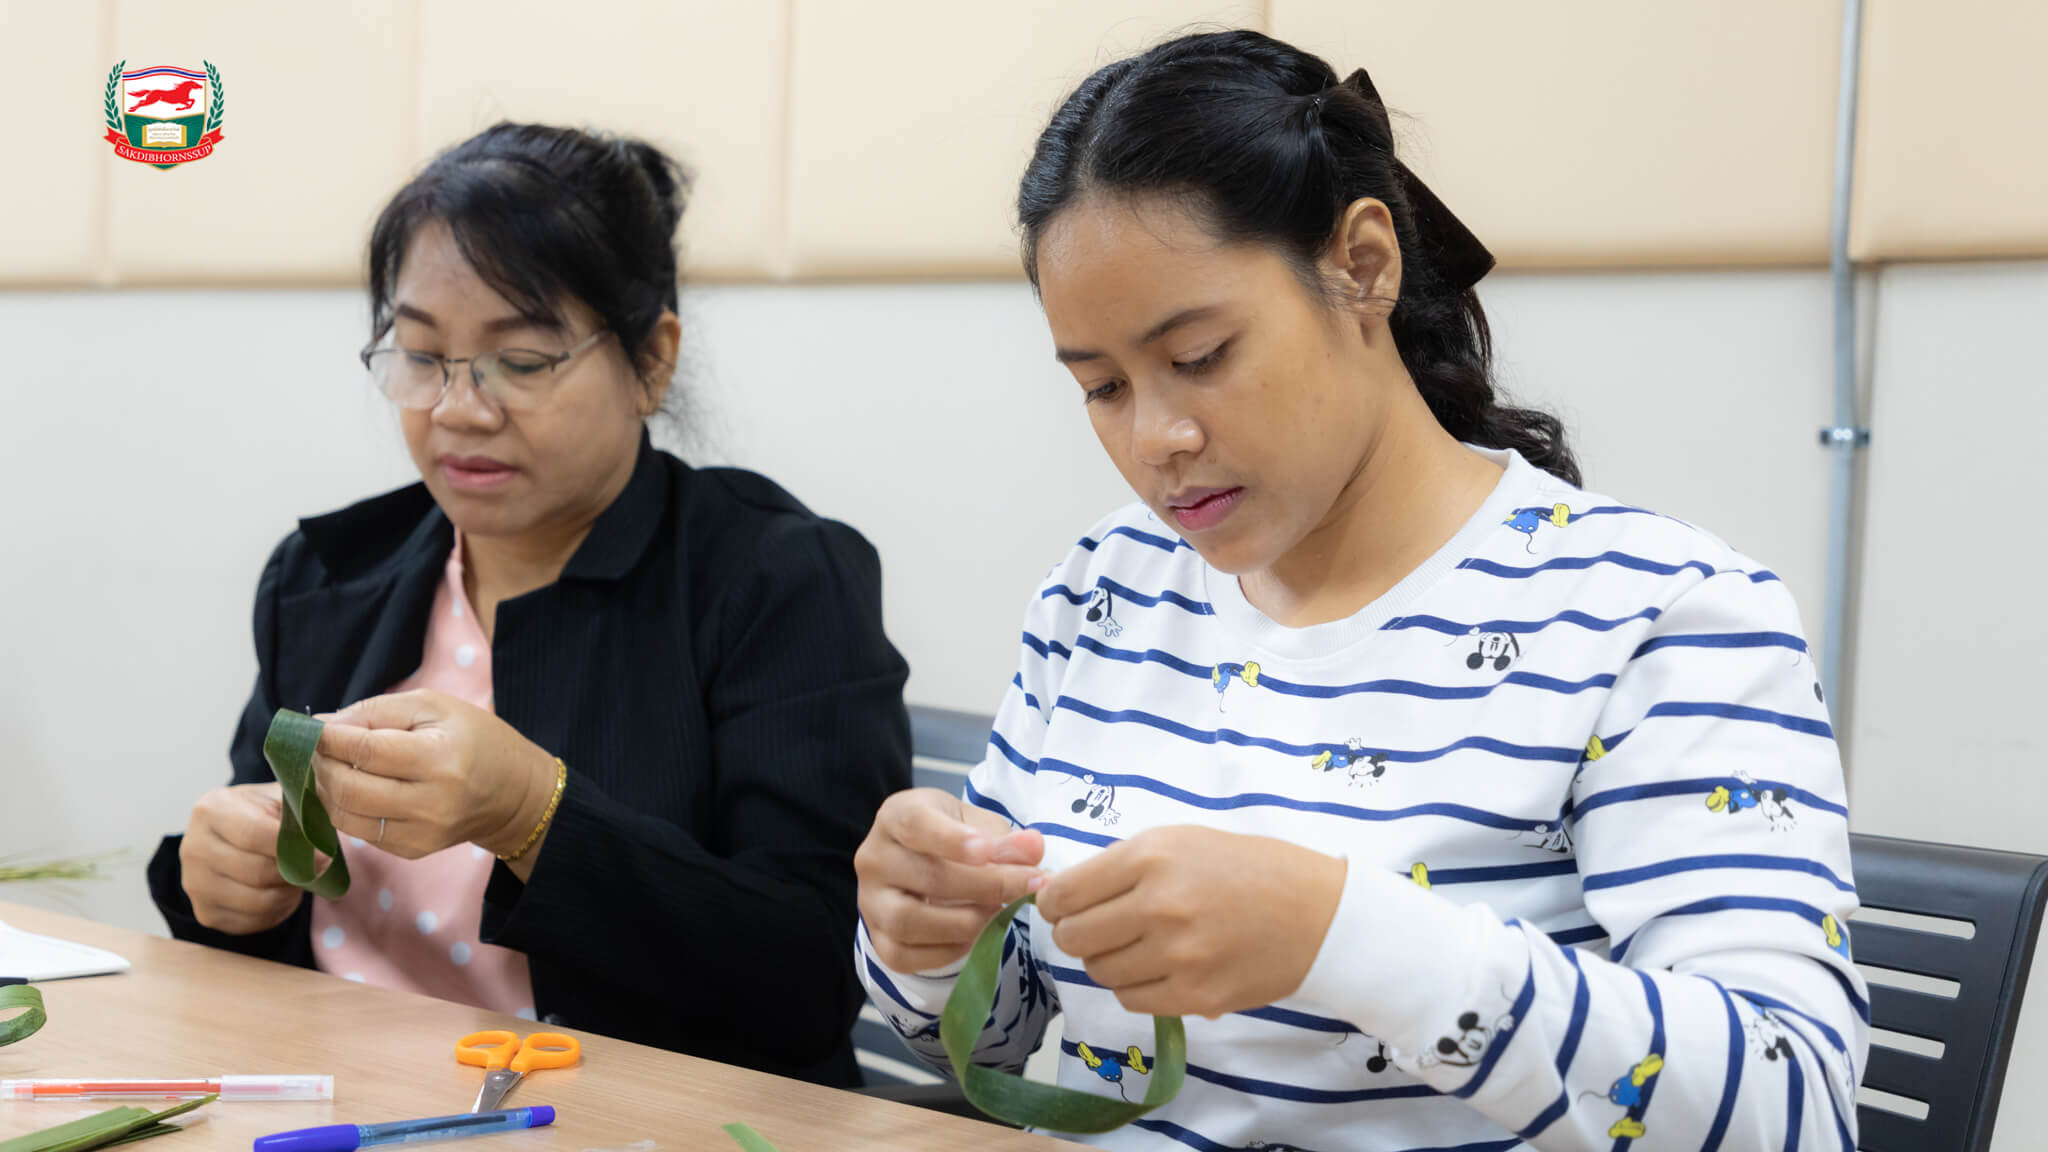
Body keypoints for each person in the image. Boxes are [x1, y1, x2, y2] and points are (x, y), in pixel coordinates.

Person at [854, 30, 1866, 1148]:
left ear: (1364, 266)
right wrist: (928, 937)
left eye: (1198, 357)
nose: (1155, 439)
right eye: (1102, 387)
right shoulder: (1106, 592)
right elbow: (995, 1043)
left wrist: (1345, 938)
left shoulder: (1655, 616)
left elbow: (1791, 1110)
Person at [149, 123, 910, 1087]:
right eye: (421, 355)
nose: (459, 409)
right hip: (325, 1093)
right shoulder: (323, 576)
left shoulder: (775, 579)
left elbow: (811, 976)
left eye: (521, 359)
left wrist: (531, 814)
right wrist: (224, 882)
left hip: (611, 1116)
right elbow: (257, 907)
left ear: (652, 359)